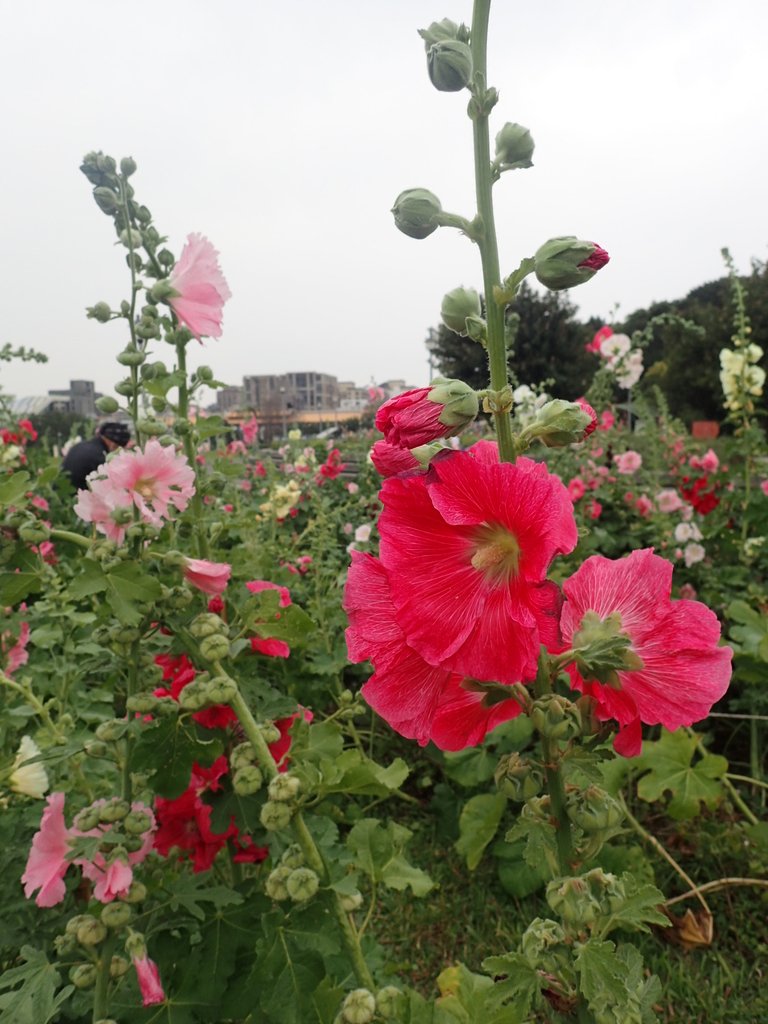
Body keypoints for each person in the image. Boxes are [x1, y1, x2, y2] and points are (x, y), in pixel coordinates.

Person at [61, 422, 131, 490]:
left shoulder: (79, 445)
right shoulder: (100, 456)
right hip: (77, 497)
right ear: (114, 445)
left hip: (62, 493)